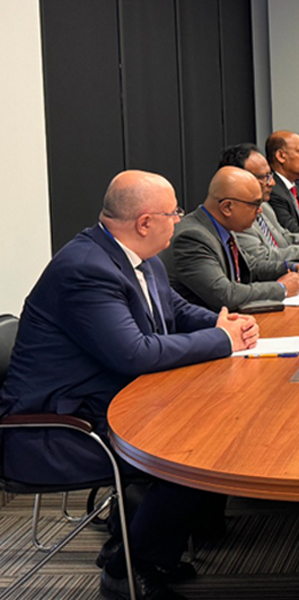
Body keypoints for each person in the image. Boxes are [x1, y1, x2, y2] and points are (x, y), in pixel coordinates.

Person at [0, 171, 260, 600]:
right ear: (144, 222)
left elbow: (173, 310)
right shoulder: (86, 269)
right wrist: (221, 341)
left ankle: (141, 545)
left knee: (214, 432)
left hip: (109, 405)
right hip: (58, 429)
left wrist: (221, 322)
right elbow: (134, 353)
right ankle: (127, 570)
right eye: (173, 212)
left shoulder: (139, 258)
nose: (179, 219)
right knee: (195, 457)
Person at [162, 167, 299, 311]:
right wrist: (281, 288)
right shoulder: (192, 237)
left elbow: (251, 266)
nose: (260, 211)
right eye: (255, 204)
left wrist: (292, 267)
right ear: (227, 207)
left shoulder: (222, 226)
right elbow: (226, 295)